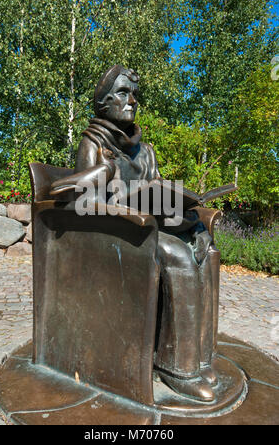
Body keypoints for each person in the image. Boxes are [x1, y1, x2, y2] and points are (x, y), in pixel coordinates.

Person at [51, 65, 220, 402]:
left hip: (149, 227)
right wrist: (104, 174)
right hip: (116, 234)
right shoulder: (93, 143)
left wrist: (188, 214)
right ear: (104, 102)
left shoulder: (145, 151)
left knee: (206, 247)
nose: (132, 101)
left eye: (134, 95)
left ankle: (199, 356)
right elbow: (87, 205)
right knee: (177, 254)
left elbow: (155, 192)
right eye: (123, 93)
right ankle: (177, 368)